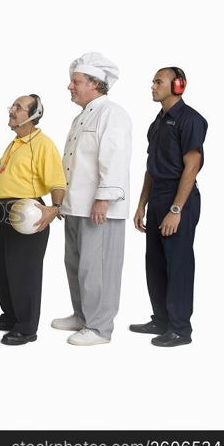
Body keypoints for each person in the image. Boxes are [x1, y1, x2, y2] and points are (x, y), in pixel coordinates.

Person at [51, 52, 132, 346]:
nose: (70, 87)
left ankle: (99, 328)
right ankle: (82, 315)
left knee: (97, 267)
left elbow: (114, 158)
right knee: (75, 264)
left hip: (99, 207)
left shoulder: (112, 114)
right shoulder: (82, 116)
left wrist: (104, 199)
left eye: (76, 82)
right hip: (76, 205)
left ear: (95, 83)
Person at [130, 67, 207, 347]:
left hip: (179, 198)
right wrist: (142, 205)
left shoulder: (191, 120)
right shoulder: (158, 122)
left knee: (178, 264)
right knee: (156, 262)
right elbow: (151, 167)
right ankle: (161, 320)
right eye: (152, 81)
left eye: (158, 81)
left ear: (178, 85)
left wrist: (176, 210)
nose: (152, 86)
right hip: (158, 196)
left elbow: (192, 166)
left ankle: (180, 329)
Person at [0, 95, 66, 345]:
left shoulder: (42, 144)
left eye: (18, 107)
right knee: (4, 269)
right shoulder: (15, 143)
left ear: (33, 115)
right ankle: (10, 316)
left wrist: (55, 208)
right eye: (13, 105)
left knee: (24, 273)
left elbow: (57, 181)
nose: (12, 109)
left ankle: (26, 327)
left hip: (26, 212)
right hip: (2, 210)